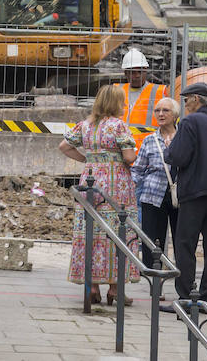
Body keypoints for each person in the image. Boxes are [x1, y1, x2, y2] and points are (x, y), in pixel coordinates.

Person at [60, 84, 140, 306]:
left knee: (90, 232)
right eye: (123, 101)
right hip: (117, 185)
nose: (125, 104)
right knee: (118, 232)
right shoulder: (119, 126)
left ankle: (92, 287)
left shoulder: (85, 125)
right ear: (116, 103)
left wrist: (88, 160)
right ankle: (115, 289)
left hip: (90, 182)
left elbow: (64, 146)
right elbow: (129, 156)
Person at [162, 81, 207, 312]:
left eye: (186, 99)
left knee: (185, 243)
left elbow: (178, 156)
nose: (184, 104)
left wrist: (168, 149)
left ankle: (185, 297)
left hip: (196, 191)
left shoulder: (190, 121)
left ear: (196, 99)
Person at [129, 97, 181, 268]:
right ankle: (153, 281)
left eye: (165, 110)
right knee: (152, 240)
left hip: (180, 195)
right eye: (157, 110)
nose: (160, 114)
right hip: (152, 195)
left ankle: (183, 279)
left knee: (182, 239)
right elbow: (138, 169)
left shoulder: (184, 138)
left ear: (175, 115)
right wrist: (129, 187)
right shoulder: (149, 140)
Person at [118, 48, 168, 146]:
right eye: (133, 72)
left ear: (146, 71)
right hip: (121, 148)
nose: (137, 76)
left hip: (150, 147)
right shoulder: (117, 91)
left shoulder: (159, 92)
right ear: (125, 73)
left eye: (140, 72)